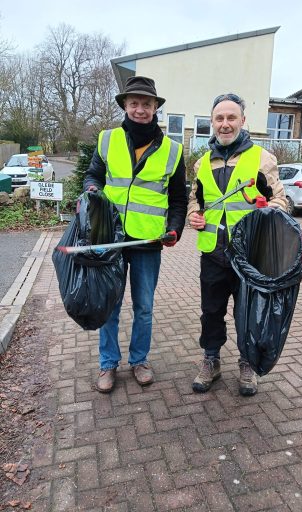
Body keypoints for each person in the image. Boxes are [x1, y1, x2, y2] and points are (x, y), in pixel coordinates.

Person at [84, 76, 187, 393]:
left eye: (146, 103)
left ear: (155, 107)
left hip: (147, 243)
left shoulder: (172, 150)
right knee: (110, 306)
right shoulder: (107, 139)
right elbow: (93, 175)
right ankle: (108, 364)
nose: (140, 109)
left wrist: (175, 229)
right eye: (134, 103)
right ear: (125, 106)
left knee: (143, 307)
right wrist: (91, 189)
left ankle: (139, 360)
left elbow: (178, 199)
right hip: (111, 240)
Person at [188, 93, 287, 396]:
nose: (225, 124)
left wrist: (267, 208)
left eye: (232, 117)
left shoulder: (262, 158)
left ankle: (248, 363)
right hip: (214, 253)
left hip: (249, 256)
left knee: (247, 312)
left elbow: (281, 201)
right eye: (219, 118)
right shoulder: (202, 163)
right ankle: (211, 360)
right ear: (212, 123)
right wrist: (194, 215)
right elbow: (197, 200)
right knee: (211, 311)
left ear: (243, 121)